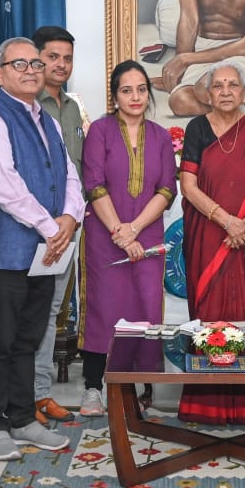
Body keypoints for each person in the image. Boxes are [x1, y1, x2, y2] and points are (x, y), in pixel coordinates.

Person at [0, 37, 84, 458]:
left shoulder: (49, 120)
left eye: (36, 63)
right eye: (20, 64)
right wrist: (49, 226)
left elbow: (71, 175)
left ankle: (22, 417)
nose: (32, 70)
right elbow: (4, 183)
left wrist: (70, 219)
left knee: (29, 339)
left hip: (46, 252)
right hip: (7, 253)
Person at [177, 61, 245, 423]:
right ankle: (203, 405)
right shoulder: (196, 129)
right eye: (218, 86)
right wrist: (227, 221)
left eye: (232, 85)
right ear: (208, 93)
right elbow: (188, 186)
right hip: (209, 235)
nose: (225, 91)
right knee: (209, 316)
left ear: (244, 91)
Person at [78, 60, 178, 416]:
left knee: (145, 310)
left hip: (147, 237)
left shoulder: (160, 136)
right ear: (115, 96)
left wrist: (134, 229)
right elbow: (94, 184)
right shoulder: (100, 131)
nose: (135, 96)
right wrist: (121, 232)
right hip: (105, 236)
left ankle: (143, 392)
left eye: (141, 89)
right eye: (126, 90)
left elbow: (167, 189)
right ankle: (93, 389)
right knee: (104, 310)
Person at [31, 25, 85, 426]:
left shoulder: (71, 108)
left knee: (51, 311)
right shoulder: (24, 106)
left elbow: (77, 170)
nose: (61, 65)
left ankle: (40, 393)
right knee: (20, 312)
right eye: (53, 57)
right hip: (31, 226)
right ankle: (11, 397)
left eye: (67, 58)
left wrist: (70, 220)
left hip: (68, 225)